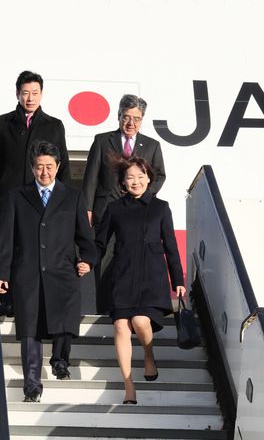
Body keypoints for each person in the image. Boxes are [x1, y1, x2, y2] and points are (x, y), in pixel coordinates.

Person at [0, 140, 96, 403]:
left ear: (58, 166)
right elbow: (6, 239)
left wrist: (88, 260)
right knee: (29, 330)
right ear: (32, 168)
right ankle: (32, 386)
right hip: (26, 273)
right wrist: (2, 273)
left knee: (63, 322)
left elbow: (85, 238)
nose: (44, 172)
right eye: (39, 167)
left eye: (49, 166)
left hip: (63, 271)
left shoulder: (72, 196)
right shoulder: (15, 196)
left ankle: (60, 361)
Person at [95, 154, 185, 404]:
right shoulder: (114, 209)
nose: (135, 181)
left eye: (140, 176)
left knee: (141, 321)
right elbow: (100, 242)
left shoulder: (161, 208)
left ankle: (148, 354)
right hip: (123, 275)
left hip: (151, 276)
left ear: (149, 178)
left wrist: (177, 278)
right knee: (120, 325)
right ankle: (129, 385)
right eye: (130, 177)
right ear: (123, 182)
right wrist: (84, 261)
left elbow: (171, 246)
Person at [0, 70, 71, 316]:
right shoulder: (3, 122)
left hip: (41, 198)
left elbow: (62, 162)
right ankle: (8, 302)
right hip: (11, 195)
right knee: (9, 245)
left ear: (41, 94)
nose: (30, 98)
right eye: (25, 93)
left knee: (37, 246)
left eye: (34, 93)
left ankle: (38, 301)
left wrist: (64, 197)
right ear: (17, 94)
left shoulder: (54, 125)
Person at [82, 94, 166, 313]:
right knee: (105, 261)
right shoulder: (102, 140)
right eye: (126, 117)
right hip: (105, 211)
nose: (131, 123)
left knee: (132, 264)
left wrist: (143, 196)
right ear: (118, 116)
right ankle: (103, 310)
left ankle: (131, 310)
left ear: (142, 119)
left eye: (136, 118)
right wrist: (87, 208)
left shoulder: (152, 145)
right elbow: (90, 177)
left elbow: (159, 176)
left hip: (137, 214)